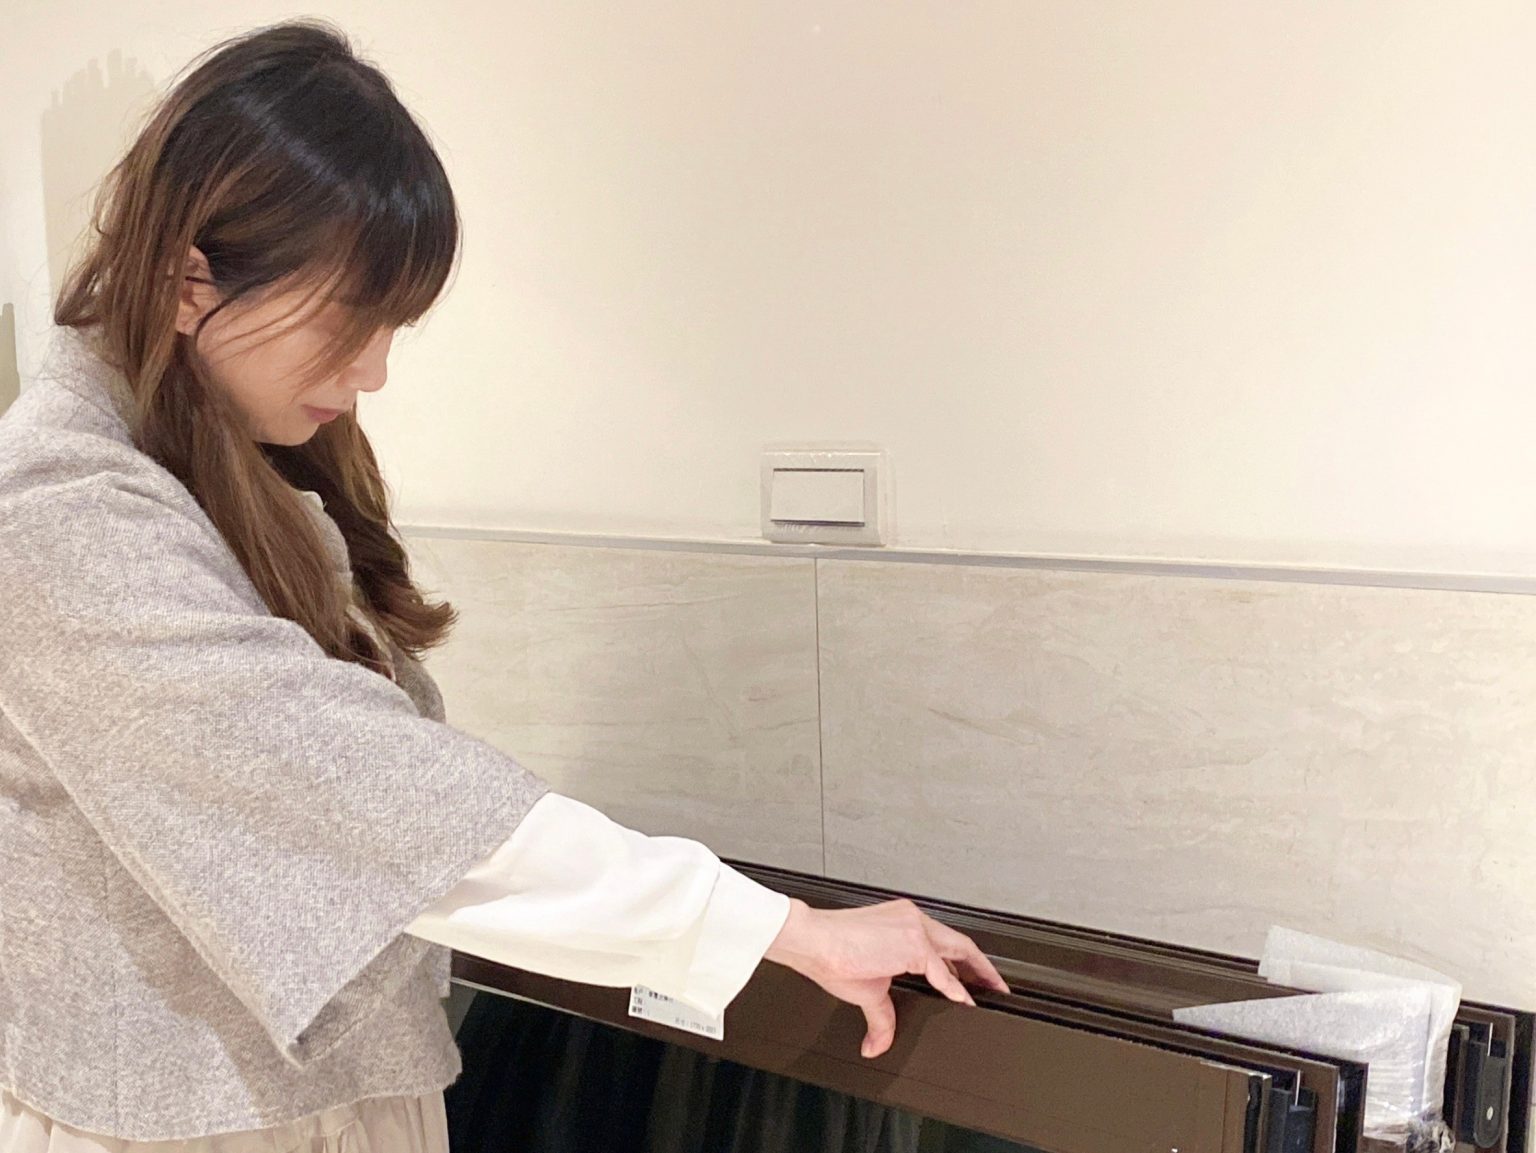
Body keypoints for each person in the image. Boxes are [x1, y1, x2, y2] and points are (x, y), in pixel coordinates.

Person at [0, 19, 1007, 1153]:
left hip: (333, 1100)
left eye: (391, 327)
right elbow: (358, 788)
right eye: (349, 322)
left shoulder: (230, 460)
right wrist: (783, 929)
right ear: (190, 281)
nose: (375, 370)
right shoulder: (59, 508)